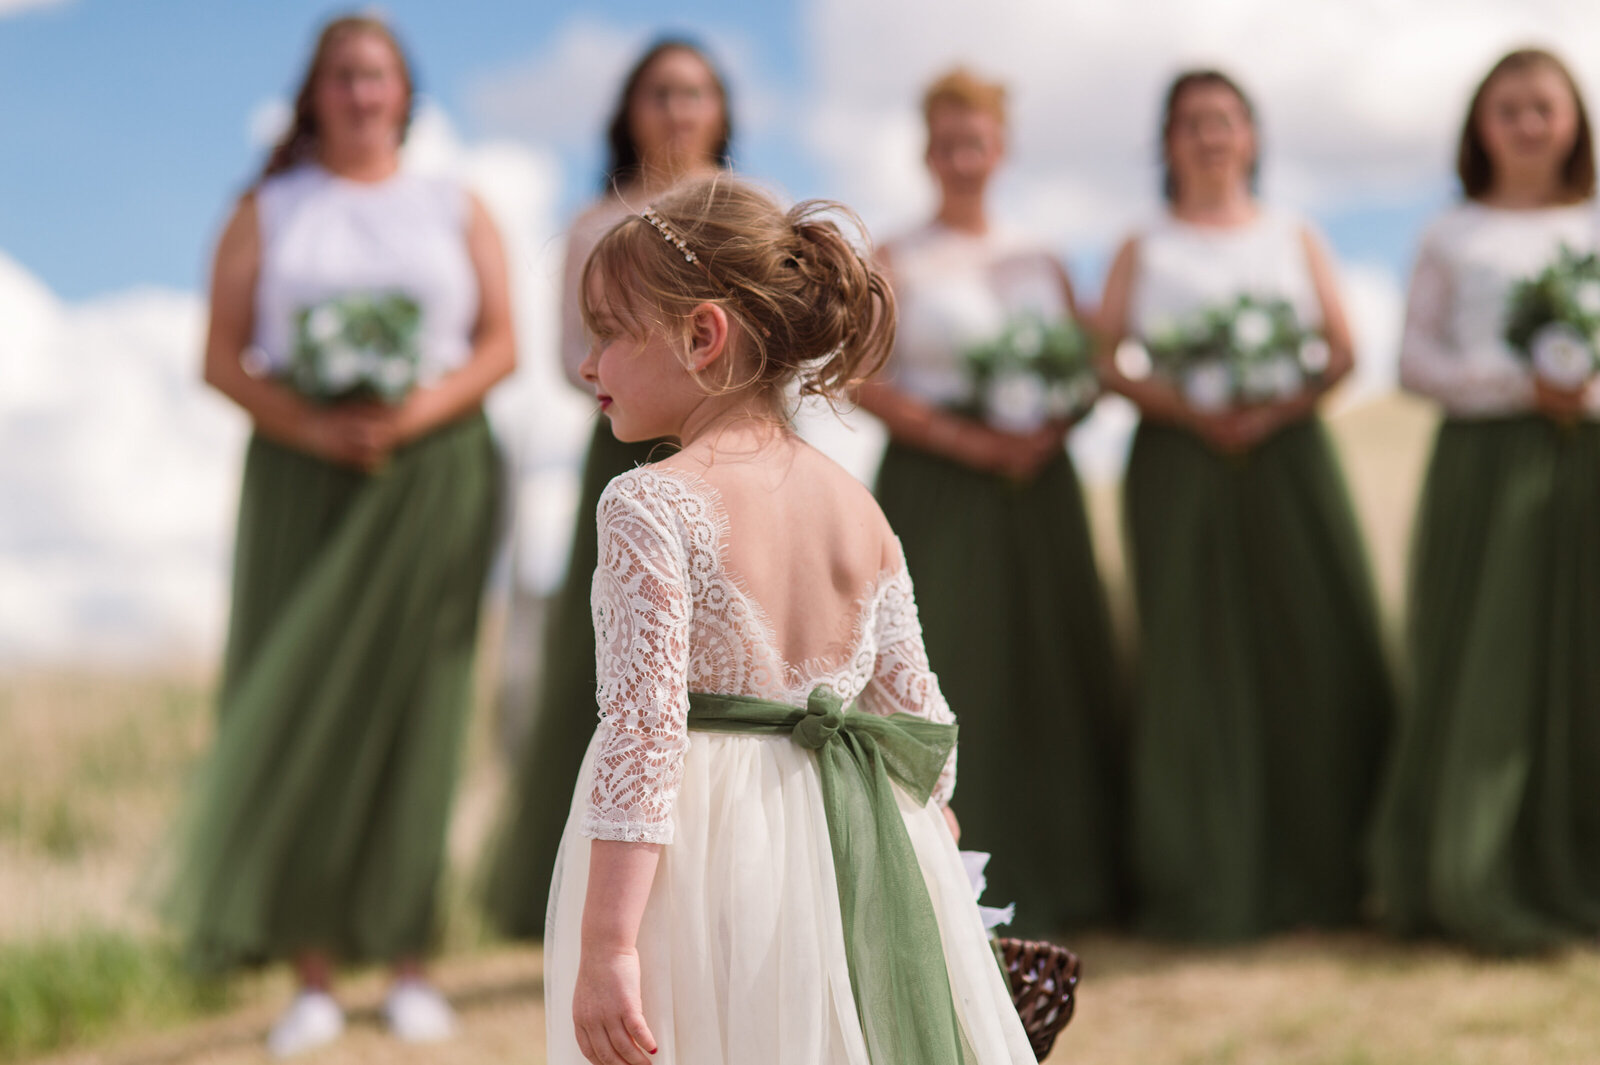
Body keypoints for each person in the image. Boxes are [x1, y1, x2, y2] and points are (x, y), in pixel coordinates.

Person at [543, 174, 1036, 1065]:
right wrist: (933, 890)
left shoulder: (649, 503)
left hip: (705, 857)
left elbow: (644, 737)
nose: (587, 366)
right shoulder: (860, 506)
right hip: (857, 842)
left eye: (609, 334)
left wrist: (610, 945)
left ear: (702, 335)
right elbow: (924, 730)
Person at [167, 14, 514, 1055]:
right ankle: (310, 972)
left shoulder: (457, 205)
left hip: (434, 475)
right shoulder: (265, 211)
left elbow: (500, 344)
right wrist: (316, 424)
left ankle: (411, 961)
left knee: (421, 711)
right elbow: (222, 358)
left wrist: (411, 413)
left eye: (378, 76)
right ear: (313, 95)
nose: (362, 94)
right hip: (301, 482)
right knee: (299, 709)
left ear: (406, 94)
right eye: (342, 77)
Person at [1096, 69, 1391, 940]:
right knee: (1193, 655)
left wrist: (1272, 410)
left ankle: (1329, 869)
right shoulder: (1141, 245)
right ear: (1168, 143)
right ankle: (1204, 872)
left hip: (1287, 462)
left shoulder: (1293, 233)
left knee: (1313, 643)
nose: (1211, 136)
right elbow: (1107, 358)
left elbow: (1342, 351)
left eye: (1225, 120)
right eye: (1192, 122)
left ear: (1252, 138)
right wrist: (1191, 411)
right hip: (1181, 466)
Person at [856, 67, 1125, 934]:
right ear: (926, 151)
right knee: (950, 663)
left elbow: (1089, 366)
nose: (962, 155)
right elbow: (861, 376)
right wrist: (964, 440)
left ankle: (1077, 873)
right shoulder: (894, 257)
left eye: (976, 138)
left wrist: (1050, 427)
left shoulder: (1040, 256)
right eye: (946, 140)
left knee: (1053, 661)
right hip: (940, 486)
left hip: (1040, 486)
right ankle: (949, 874)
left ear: (999, 149)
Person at [487, 38, 732, 937]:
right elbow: (565, 357)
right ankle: (573, 888)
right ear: (629, 111)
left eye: (695, 92)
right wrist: (653, 386)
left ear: (721, 109)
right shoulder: (594, 223)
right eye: (660, 93)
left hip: (736, 451)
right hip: (625, 446)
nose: (677, 110)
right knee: (621, 660)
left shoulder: (749, 210)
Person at [1371, 48, 1600, 953]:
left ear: (1576, 119)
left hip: (1586, 459)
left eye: (1544, 106)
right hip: (1485, 469)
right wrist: (1516, 385)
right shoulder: (1451, 234)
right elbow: (1413, 361)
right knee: (1489, 661)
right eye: (1508, 108)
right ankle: (1475, 867)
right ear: (1480, 126)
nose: (1528, 123)